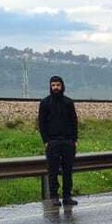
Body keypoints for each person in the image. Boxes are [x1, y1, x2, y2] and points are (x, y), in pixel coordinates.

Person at [38, 75, 79, 206]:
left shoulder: (68, 102)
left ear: (62, 86)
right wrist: (46, 141)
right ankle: (54, 196)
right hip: (52, 142)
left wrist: (74, 139)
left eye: (58, 85)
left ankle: (67, 196)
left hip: (68, 141)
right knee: (53, 171)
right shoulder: (45, 103)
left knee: (68, 170)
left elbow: (74, 121)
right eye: (53, 85)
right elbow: (41, 124)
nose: (55, 88)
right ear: (50, 87)